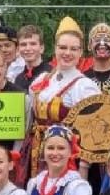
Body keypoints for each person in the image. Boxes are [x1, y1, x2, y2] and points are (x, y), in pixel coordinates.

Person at [25, 17, 99, 177]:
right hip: (37, 153)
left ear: (80, 52)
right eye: (63, 47)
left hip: (69, 158)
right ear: (55, 49)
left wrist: (83, 168)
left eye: (74, 49)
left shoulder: (84, 86)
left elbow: (92, 133)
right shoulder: (42, 79)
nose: (67, 53)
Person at [84, 22, 110, 97]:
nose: (102, 44)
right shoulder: (83, 77)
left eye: (107, 40)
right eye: (97, 40)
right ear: (89, 46)